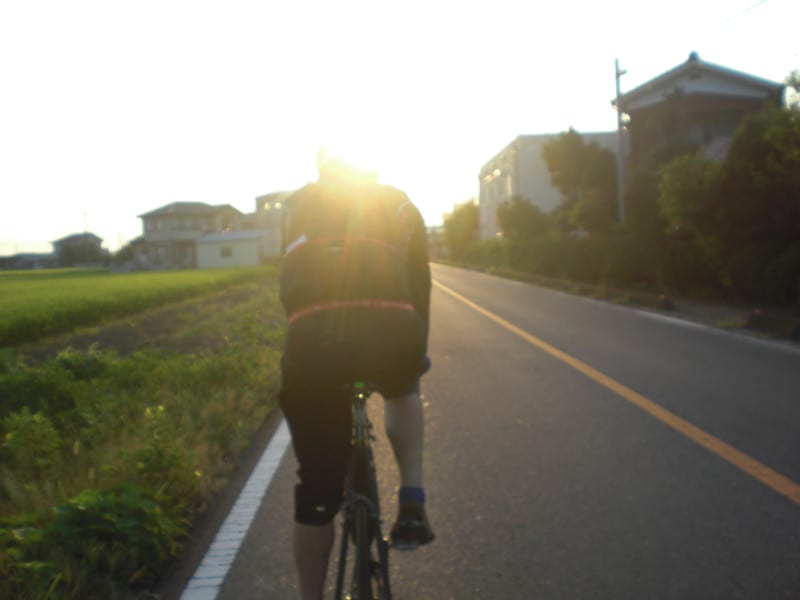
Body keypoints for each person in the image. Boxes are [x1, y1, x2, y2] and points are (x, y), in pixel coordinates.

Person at [277, 150, 434, 599]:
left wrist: (303, 338)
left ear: (322, 171)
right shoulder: (401, 205)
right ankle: (412, 498)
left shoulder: (296, 205)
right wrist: (414, 354)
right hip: (392, 334)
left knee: (316, 491)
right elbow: (419, 289)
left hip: (314, 348)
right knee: (404, 389)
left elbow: (290, 284)